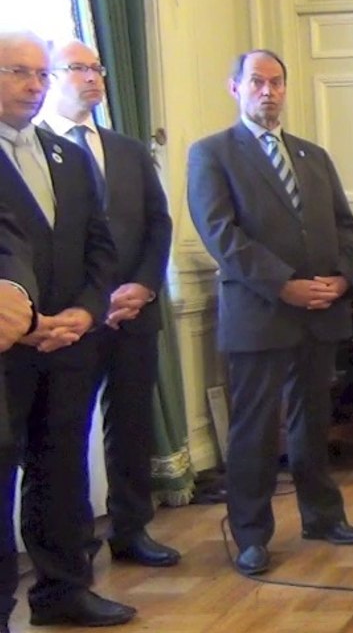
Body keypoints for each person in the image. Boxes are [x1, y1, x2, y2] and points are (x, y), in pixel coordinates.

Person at [187, 49, 353, 577]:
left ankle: (322, 516)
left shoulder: (313, 156)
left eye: (277, 83)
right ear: (235, 87)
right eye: (257, 82)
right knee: (255, 429)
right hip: (259, 311)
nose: (268, 91)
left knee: (312, 421)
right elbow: (221, 234)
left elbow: (346, 225)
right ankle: (250, 536)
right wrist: (282, 285)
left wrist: (342, 276)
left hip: (319, 309)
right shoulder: (212, 154)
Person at [0, 30, 132, 627]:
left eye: (39, 74)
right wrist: (23, 319)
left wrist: (83, 310)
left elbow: (100, 248)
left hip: (69, 343)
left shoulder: (67, 155)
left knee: (62, 469)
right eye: (17, 73)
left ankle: (63, 590)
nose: (33, 85)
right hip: (7, 349)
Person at [40, 39, 180, 567]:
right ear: (53, 77)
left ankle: (132, 529)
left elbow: (157, 223)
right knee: (64, 432)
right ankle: (73, 545)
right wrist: (90, 302)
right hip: (68, 318)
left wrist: (144, 286)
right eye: (78, 68)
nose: (93, 77)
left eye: (98, 67)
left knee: (131, 424)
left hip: (133, 312)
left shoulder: (126, 149)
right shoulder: (36, 149)